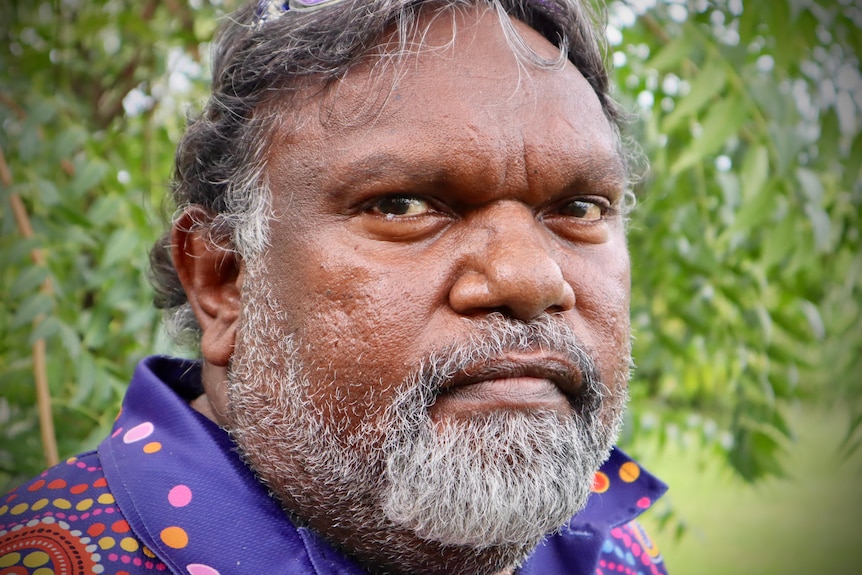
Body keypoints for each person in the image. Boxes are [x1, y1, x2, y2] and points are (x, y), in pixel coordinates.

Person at [0, 0, 669, 573]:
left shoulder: (614, 550)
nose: (531, 278)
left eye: (580, 208)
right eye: (404, 205)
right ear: (224, 280)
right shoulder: (48, 554)